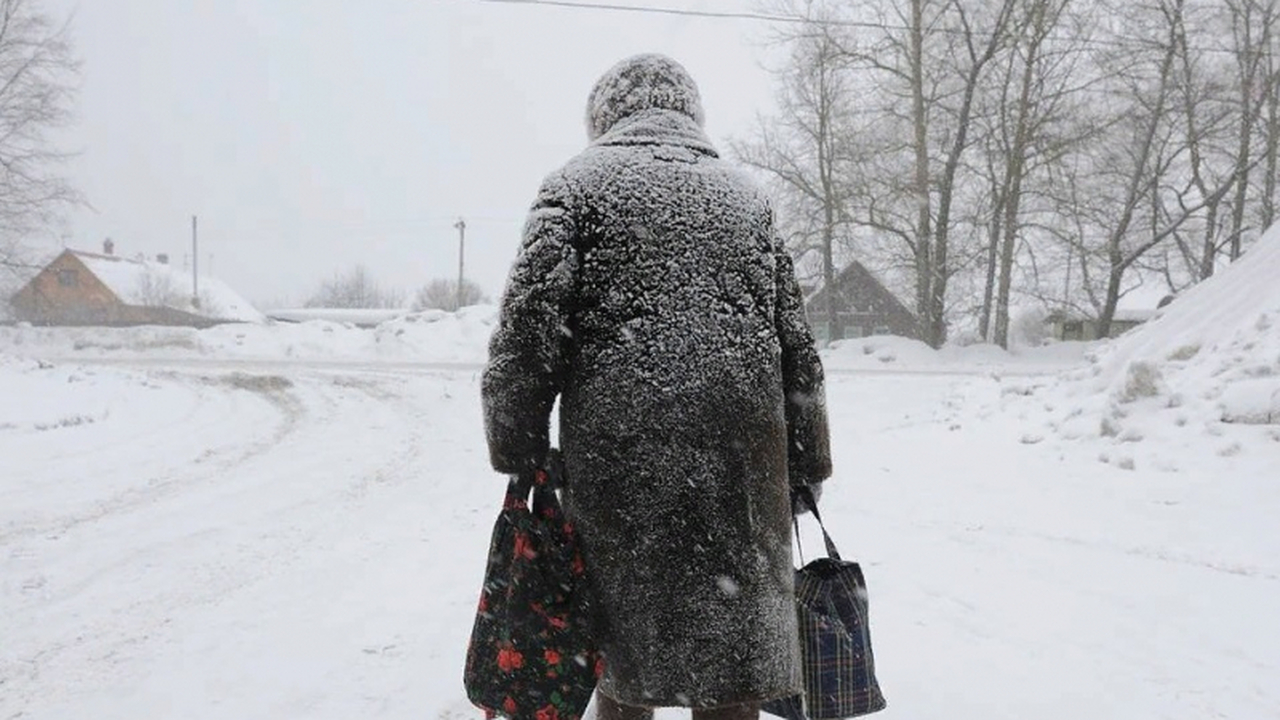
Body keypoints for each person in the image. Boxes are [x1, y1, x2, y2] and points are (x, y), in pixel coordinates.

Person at [482, 54, 831, 720]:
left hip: (622, 480)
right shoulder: (747, 201)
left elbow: (524, 345)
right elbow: (799, 354)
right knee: (732, 674)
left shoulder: (575, 190)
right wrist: (807, 463)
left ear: (602, 116)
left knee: (623, 662)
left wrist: (520, 451)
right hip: (742, 484)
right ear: (690, 113)